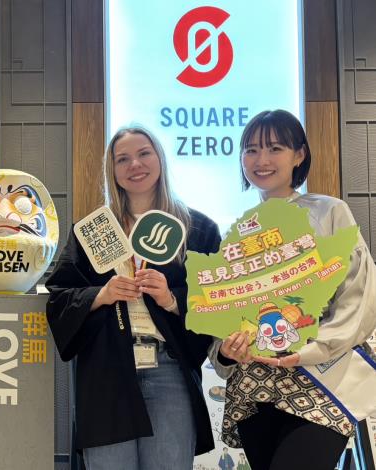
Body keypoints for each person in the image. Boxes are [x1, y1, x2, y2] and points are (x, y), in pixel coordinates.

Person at [46, 126, 221, 469]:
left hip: (168, 368)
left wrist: (172, 299)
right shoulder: (94, 230)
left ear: (160, 159)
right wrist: (101, 294)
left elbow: (216, 299)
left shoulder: (197, 228)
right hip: (107, 371)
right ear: (112, 170)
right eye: (122, 159)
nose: (135, 165)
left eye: (144, 154)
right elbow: (60, 296)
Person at [214, 110, 376, 469]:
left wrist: (311, 349)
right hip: (256, 384)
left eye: (275, 148)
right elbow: (224, 316)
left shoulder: (330, 212)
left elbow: (358, 295)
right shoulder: (237, 233)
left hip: (322, 377)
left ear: (299, 154)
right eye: (251, 150)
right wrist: (226, 349)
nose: (262, 160)